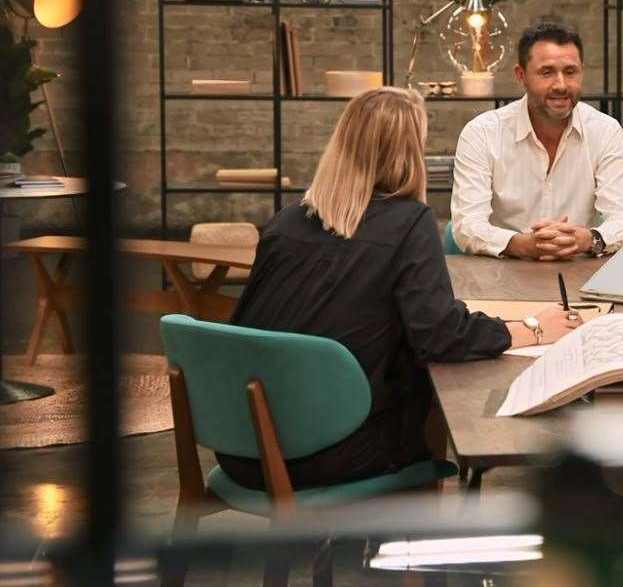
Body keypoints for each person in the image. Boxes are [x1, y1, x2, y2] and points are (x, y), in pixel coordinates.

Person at [221, 87, 578, 489]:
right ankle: (411, 538)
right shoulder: (409, 222)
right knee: (425, 391)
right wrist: (534, 327)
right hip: (325, 456)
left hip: (243, 446)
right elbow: (440, 335)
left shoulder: (285, 222)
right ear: (409, 153)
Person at [451, 22, 623, 259]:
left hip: (579, 272)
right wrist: (522, 244)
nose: (561, 85)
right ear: (521, 75)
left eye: (570, 72)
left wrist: (588, 239)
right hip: (503, 271)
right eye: (547, 72)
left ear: (582, 71)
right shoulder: (482, 133)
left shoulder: (605, 131)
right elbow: (466, 225)